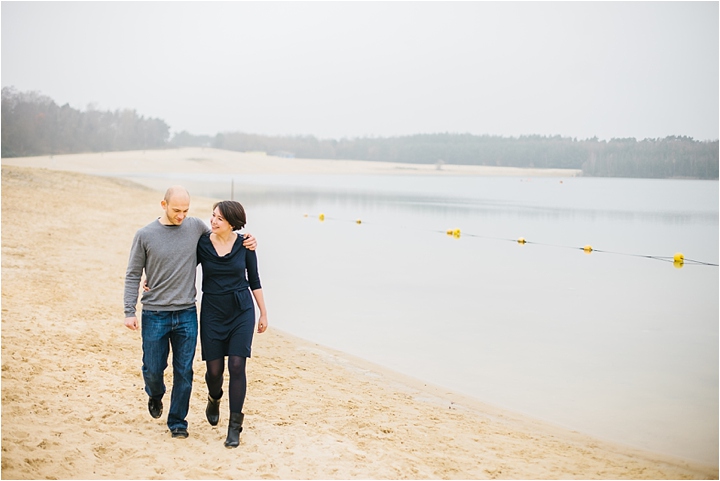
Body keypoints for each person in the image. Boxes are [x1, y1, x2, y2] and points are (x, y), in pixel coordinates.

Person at [123, 186, 257, 439]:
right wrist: (129, 310)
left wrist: (249, 239)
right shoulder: (145, 235)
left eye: (186, 210)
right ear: (163, 205)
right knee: (153, 369)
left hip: (186, 311)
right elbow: (133, 274)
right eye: (176, 210)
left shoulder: (196, 227)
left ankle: (177, 423)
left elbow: (223, 238)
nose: (181, 216)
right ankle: (155, 393)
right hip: (155, 312)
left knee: (184, 370)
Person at [196, 200, 268, 448]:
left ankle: (234, 427)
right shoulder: (203, 244)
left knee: (237, 365)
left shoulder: (246, 245)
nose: (213, 221)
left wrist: (263, 313)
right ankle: (214, 397)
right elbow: (181, 267)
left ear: (232, 223)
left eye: (219, 219)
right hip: (212, 311)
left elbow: (255, 279)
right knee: (214, 371)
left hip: (241, 309)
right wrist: (153, 279)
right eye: (213, 216)